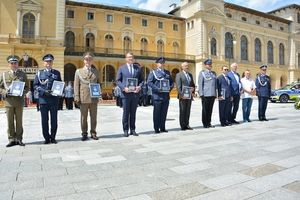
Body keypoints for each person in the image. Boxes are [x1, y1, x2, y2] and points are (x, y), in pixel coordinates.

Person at [0, 55, 29, 147]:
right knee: (10, 121)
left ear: (18, 64)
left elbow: (27, 87)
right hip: (9, 102)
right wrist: (5, 93)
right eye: (11, 63)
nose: (13, 65)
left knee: (19, 121)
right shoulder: (4, 75)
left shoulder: (22, 74)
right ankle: (12, 139)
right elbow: (0, 87)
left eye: (15, 63)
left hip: (19, 101)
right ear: (9, 64)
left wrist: (22, 92)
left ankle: (19, 139)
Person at [34, 54, 62, 144]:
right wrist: (43, 91)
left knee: (54, 119)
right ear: (43, 63)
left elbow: (59, 84)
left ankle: (53, 137)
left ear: (52, 62)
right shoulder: (39, 73)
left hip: (54, 99)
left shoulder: (57, 73)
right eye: (46, 61)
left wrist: (59, 91)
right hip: (44, 100)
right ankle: (46, 137)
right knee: (44, 120)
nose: (48, 63)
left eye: (50, 61)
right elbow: (35, 85)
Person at [116, 52, 144, 137]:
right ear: (126, 59)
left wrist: (139, 86)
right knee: (126, 112)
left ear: (133, 58)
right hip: (126, 94)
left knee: (133, 112)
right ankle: (125, 130)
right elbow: (118, 80)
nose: (130, 59)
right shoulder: (121, 68)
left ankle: (133, 129)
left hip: (135, 94)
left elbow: (142, 80)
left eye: (132, 57)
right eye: (129, 57)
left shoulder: (137, 68)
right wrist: (124, 88)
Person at [74, 52, 101, 141]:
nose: (88, 61)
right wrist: (77, 97)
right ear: (84, 61)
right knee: (83, 117)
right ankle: (84, 133)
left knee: (94, 117)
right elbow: (76, 85)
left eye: (90, 60)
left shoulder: (96, 71)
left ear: (92, 61)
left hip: (94, 97)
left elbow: (99, 84)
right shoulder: (79, 71)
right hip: (83, 97)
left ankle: (93, 132)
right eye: (86, 59)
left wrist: (99, 95)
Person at [147, 57, 174, 133]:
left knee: (164, 112)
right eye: (160, 63)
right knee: (157, 112)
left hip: (165, 95)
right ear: (157, 64)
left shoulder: (167, 72)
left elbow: (172, 82)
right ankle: (156, 128)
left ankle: (162, 127)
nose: (162, 64)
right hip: (157, 95)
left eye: (163, 63)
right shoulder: (153, 72)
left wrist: (169, 89)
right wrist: (157, 88)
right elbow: (149, 82)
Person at [198, 59, 217, 128]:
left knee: (210, 109)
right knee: (205, 109)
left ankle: (209, 122)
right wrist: (201, 94)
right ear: (205, 65)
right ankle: (205, 123)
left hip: (212, 94)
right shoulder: (202, 73)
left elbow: (215, 84)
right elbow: (200, 84)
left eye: (210, 64)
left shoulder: (213, 73)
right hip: (205, 94)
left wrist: (215, 94)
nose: (210, 65)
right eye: (209, 64)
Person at [176, 62, 195, 131]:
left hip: (189, 96)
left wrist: (193, 89)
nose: (187, 67)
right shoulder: (179, 75)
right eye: (185, 66)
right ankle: (182, 125)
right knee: (182, 110)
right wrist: (181, 95)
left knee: (188, 110)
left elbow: (192, 84)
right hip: (183, 96)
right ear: (182, 67)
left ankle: (187, 124)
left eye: (187, 66)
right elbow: (178, 86)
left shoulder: (190, 75)